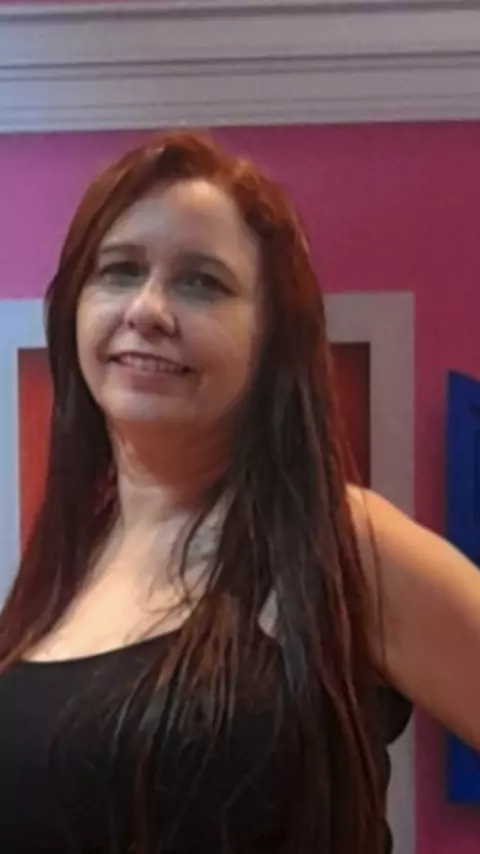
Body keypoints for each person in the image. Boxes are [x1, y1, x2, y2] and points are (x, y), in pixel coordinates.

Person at [0, 131, 478, 854]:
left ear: (269, 342)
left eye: (201, 282)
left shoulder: (340, 545)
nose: (148, 309)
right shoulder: (63, 572)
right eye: (120, 271)